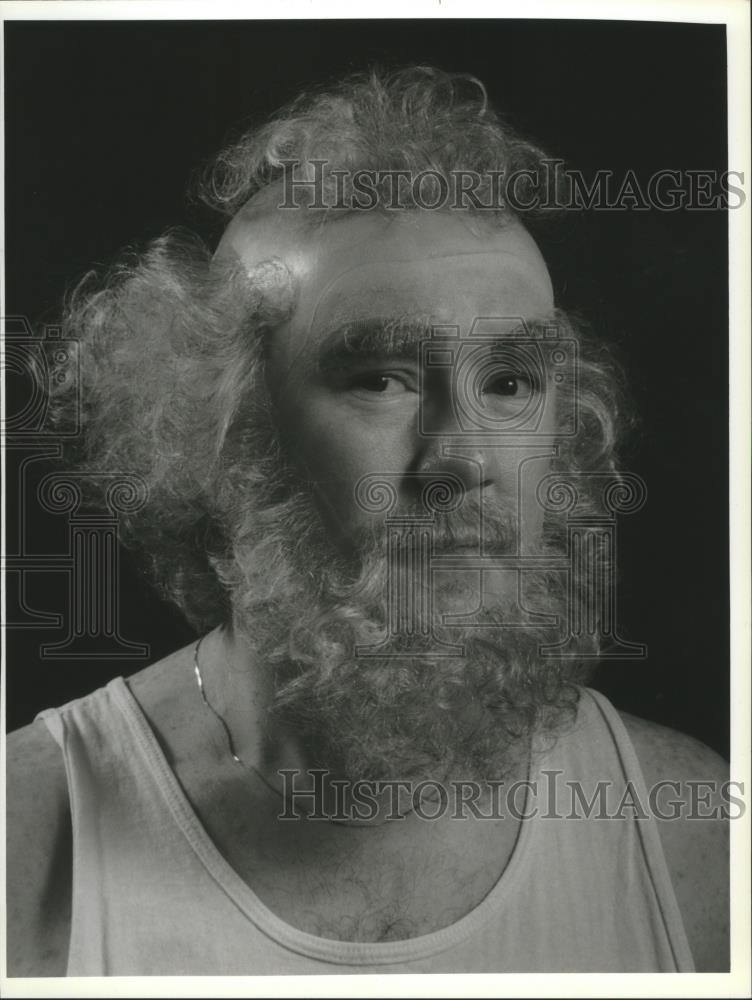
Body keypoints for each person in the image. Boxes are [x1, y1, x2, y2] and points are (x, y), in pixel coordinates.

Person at [6, 66, 729, 976]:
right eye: (380, 378)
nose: (464, 458)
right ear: (220, 430)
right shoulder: (28, 838)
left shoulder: (685, 832)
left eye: (510, 383)